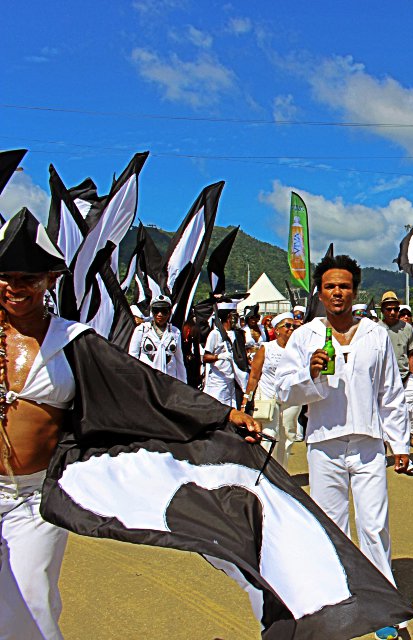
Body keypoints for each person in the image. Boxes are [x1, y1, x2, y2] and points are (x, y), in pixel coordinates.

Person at [0, 209, 260, 639]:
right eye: (6, 276)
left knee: (31, 599)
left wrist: (221, 413)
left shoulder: (73, 341)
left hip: (33, 499)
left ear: (48, 280)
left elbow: (147, 387)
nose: (15, 287)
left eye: (28, 278)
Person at [276, 254, 409, 620]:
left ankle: (382, 604)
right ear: (320, 292)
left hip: (367, 444)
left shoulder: (374, 334)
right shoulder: (305, 337)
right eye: (331, 286)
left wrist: (399, 443)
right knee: (331, 524)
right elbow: (284, 391)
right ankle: (337, 599)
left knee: (373, 524)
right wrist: (311, 374)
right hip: (324, 443)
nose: (338, 293)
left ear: (355, 291)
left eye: (345, 286)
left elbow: (390, 392)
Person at [243, 312, 300, 467]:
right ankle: (264, 470)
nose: (291, 329)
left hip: (291, 399)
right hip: (268, 397)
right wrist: (245, 401)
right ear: (277, 330)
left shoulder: (298, 350)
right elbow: (254, 376)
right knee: (269, 436)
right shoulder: (266, 348)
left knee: (288, 436)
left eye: (294, 326)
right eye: (287, 326)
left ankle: (281, 472)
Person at [379, 292, 413, 452]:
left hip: (405, 376)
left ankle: (410, 435)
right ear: (382, 310)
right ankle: (384, 443)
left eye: (395, 309)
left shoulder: (407, 328)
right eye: (388, 309)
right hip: (385, 379)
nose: (392, 312)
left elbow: (411, 353)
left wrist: (412, 375)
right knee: (386, 412)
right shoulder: (377, 329)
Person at [127, 295, 187, 383]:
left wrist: (183, 385)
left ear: (170, 312)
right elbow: (133, 357)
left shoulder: (175, 332)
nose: (160, 314)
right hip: (147, 380)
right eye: (156, 311)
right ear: (152, 312)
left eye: (164, 311)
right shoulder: (142, 330)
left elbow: (179, 361)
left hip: (168, 380)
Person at [201, 303, 247, 408]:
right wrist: (219, 357)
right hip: (218, 382)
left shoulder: (236, 334)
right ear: (229, 317)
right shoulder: (215, 334)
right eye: (234, 315)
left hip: (231, 381)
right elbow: (205, 357)